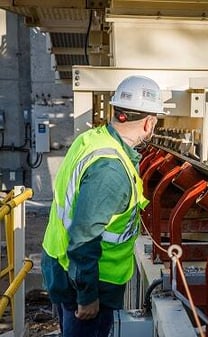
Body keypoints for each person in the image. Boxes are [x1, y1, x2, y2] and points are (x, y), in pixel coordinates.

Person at [41, 75, 166, 337]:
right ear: (148, 123)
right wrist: (87, 296)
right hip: (87, 285)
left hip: (65, 269)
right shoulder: (110, 169)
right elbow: (84, 235)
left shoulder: (93, 139)